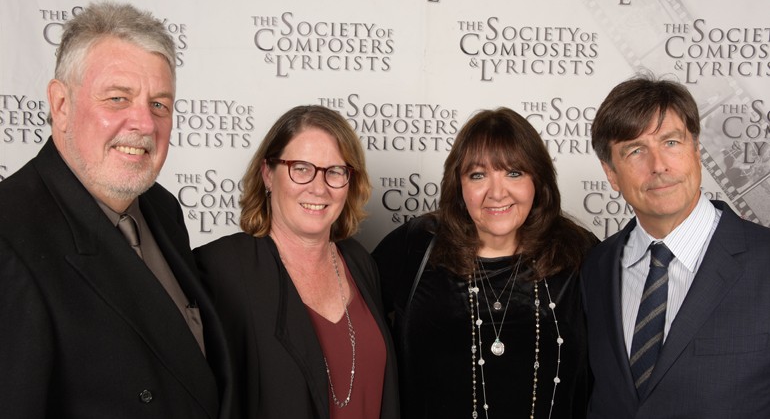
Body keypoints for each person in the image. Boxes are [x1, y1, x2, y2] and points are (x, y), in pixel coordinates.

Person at [0, 1, 232, 418]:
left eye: (159, 104)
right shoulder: (8, 238)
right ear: (61, 104)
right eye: (117, 98)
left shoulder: (162, 210)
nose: (144, 123)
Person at [372, 107, 596, 419]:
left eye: (514, 173)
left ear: (538, 180)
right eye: (478, 175)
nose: (497, 192)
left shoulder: (579, 253)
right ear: (459, 186)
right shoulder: (415, 246)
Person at [194, 105, 400, 419]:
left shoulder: (359, 262)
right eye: (301, 168)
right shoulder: (220, 269)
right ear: (267, 173)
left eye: (335, 171)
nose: (319, 188)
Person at [583, 74, 770, 418]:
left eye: (671, 142)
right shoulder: (593, 268)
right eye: (635, 150)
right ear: (611, 174)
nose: (658, 166)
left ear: (696, 151)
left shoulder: (765, 262)